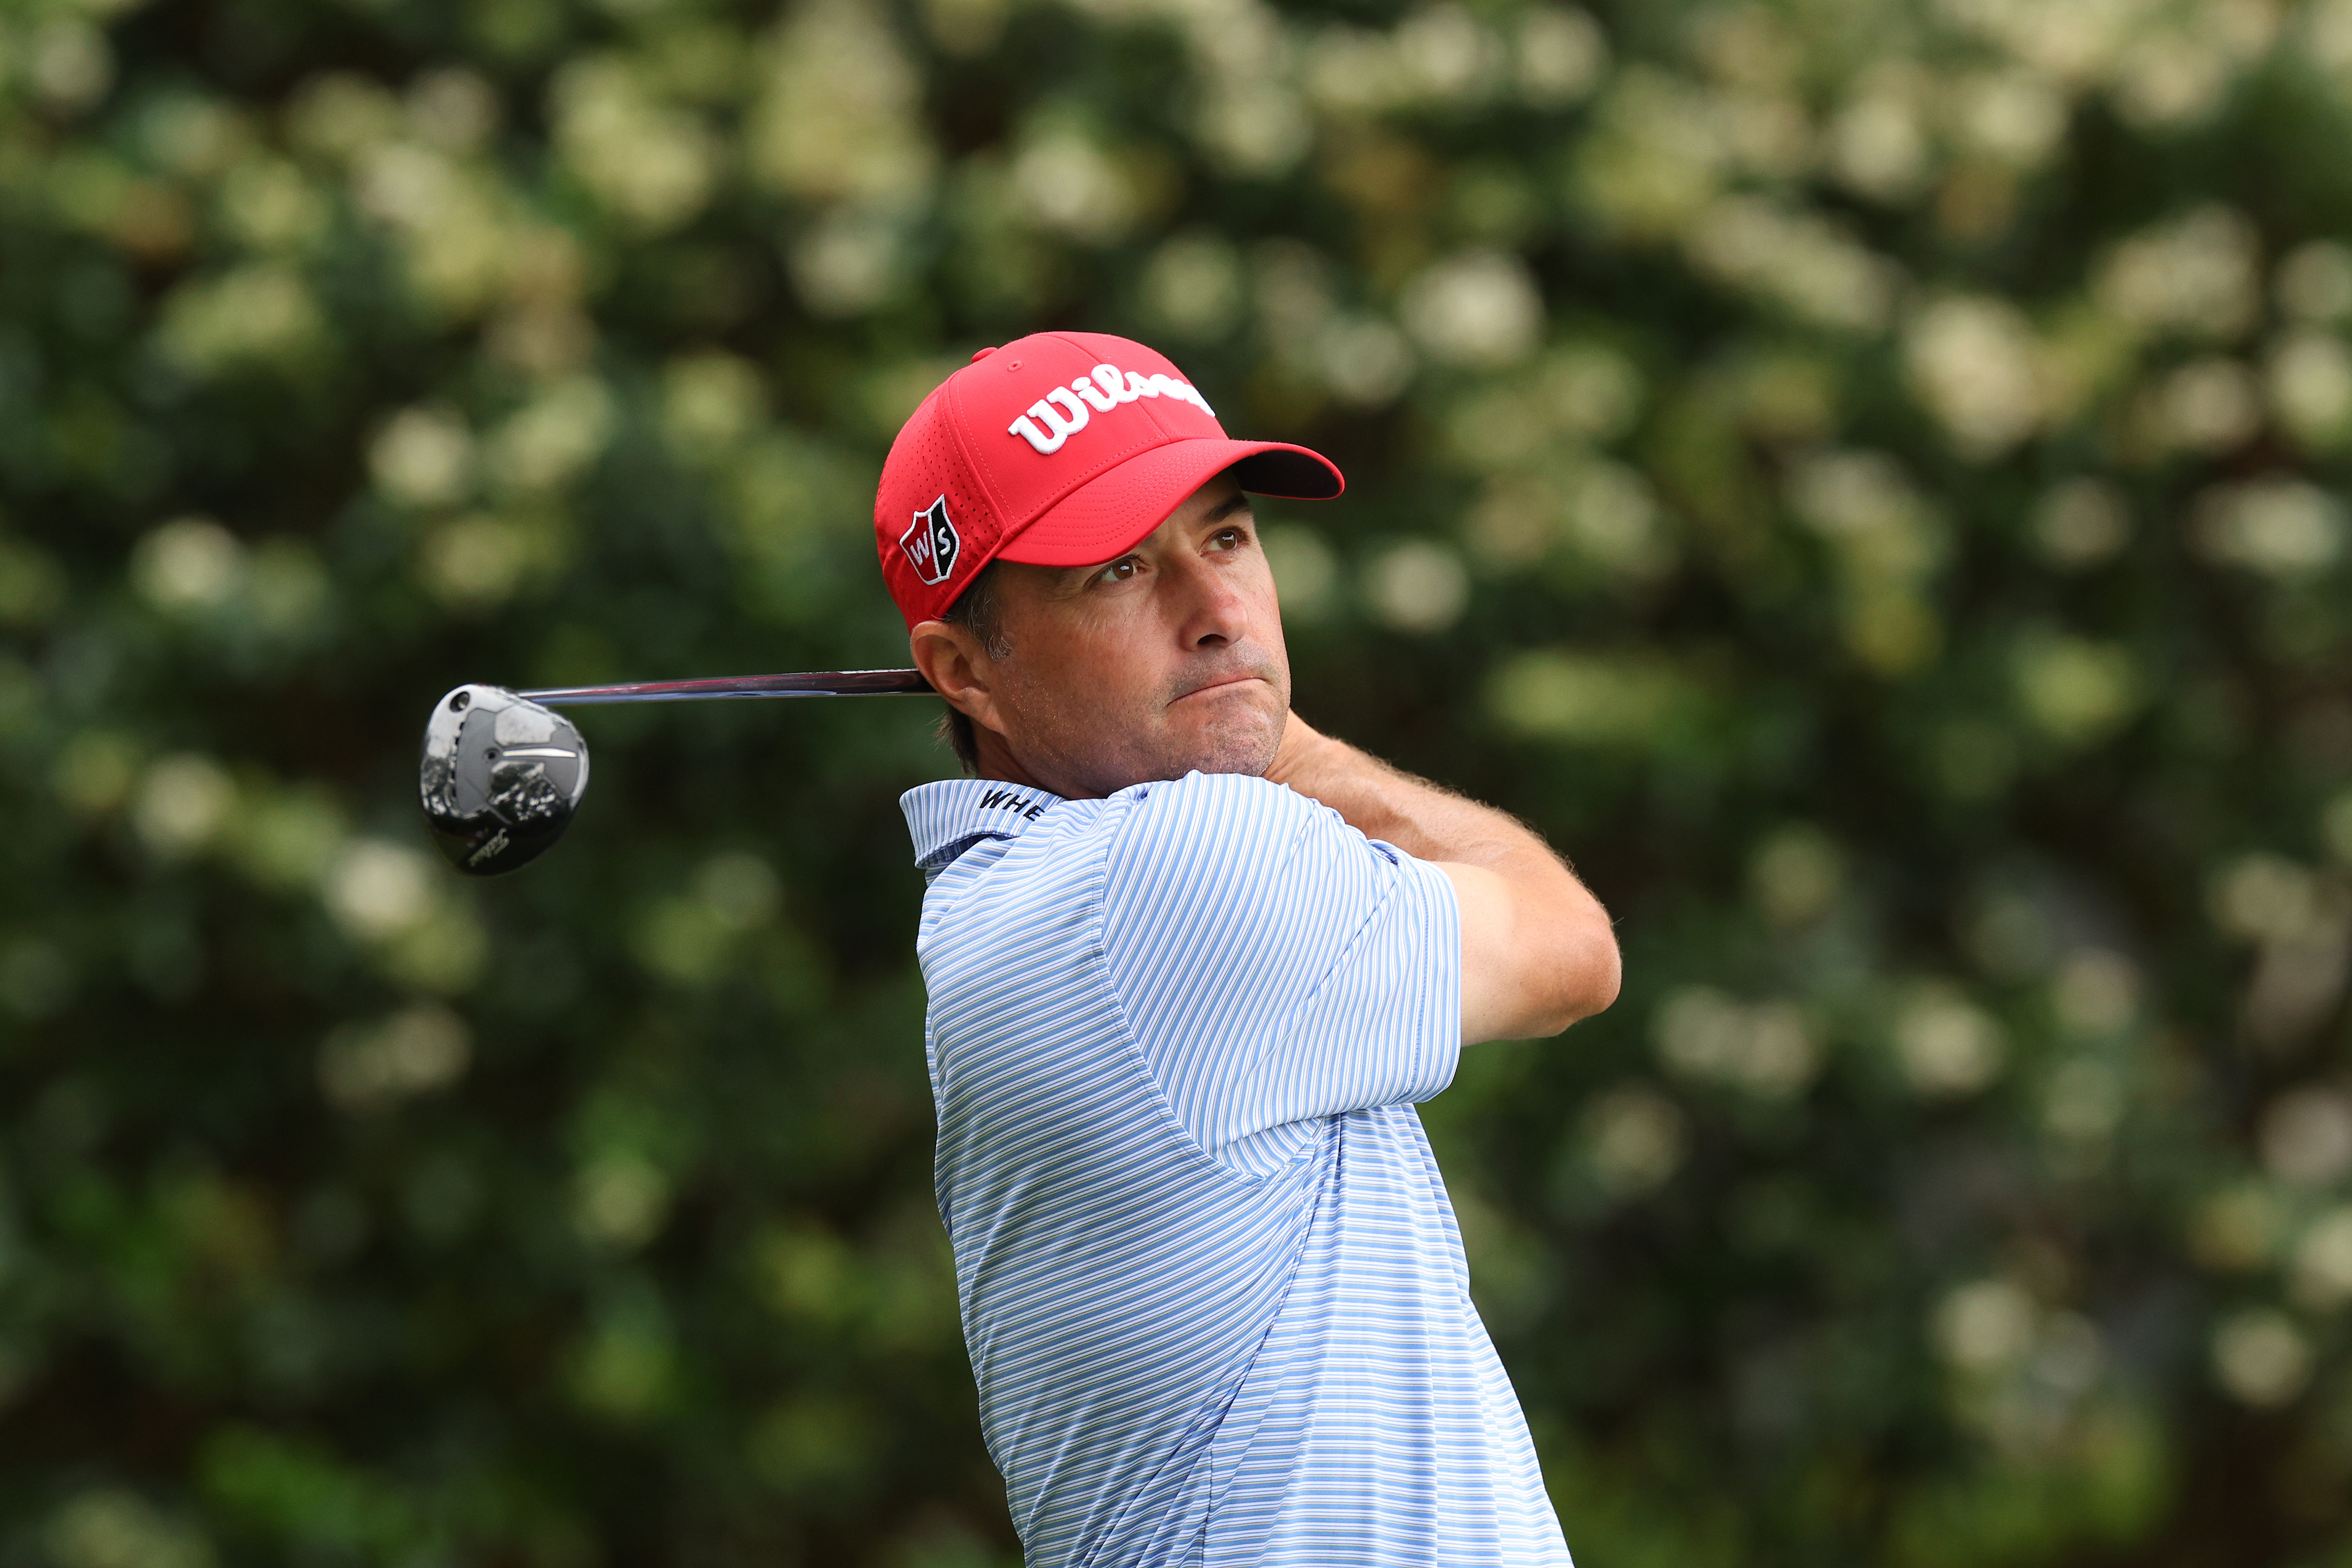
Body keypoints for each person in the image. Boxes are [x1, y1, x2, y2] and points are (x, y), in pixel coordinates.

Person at [873, 330, 1620, 1567]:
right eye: (1115, 569)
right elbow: (1571, 946)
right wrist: (1277, 735)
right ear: (964, 672)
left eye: (1224, 537)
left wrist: (1234, 718)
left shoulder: (1014, 903)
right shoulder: (1175, 876)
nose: (1218, 612)